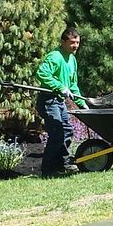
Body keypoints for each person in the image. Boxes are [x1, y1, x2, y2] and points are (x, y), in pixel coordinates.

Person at [35, 27, 86, 176]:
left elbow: (73, 85)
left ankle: (62, 164)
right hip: (48, 100)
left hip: (59, 101)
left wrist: (82, 103)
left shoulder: (72, 60)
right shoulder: (55, 57)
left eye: (77, 42)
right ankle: (48, 169)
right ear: (63, 42)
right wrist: (59, 86)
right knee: (57, 132)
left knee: (67, 130)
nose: (75, 46)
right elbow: (42, 73)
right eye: (72, 42)